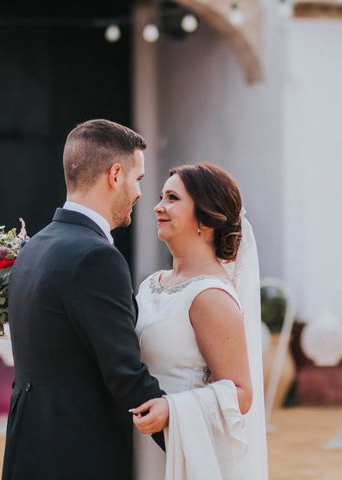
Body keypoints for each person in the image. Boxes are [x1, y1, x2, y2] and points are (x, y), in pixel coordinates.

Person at [1, 119, 168, 480]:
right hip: (78, 453)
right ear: (115, 174)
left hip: (28, 447)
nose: (140, 193)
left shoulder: (35, 247)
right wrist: (188, 442)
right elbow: (123, 374)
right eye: (138, 179)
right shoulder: (96, 258)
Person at [131, 163, 268, 479]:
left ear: (204, 220)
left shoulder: (210, 296)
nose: (158, 207)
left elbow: (241, 393)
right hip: (138, 443)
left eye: (173, 198)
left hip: (180, 447)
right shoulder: (152, 283)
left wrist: (172, 410)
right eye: (162, 196)